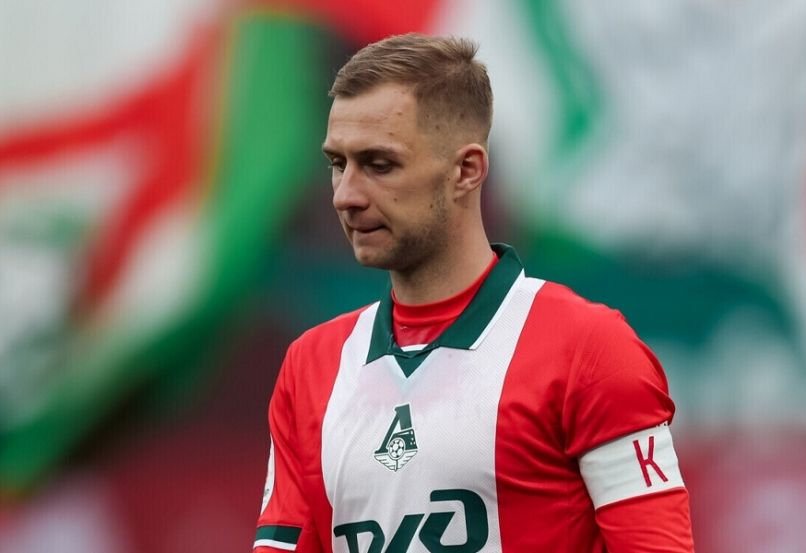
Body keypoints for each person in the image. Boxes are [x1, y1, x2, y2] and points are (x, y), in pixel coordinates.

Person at [253, 33, 694, 553]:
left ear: (466, 170)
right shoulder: (309, 366)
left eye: (379, 164)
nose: (346, 195)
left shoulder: (589, 349)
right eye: (337, 164)